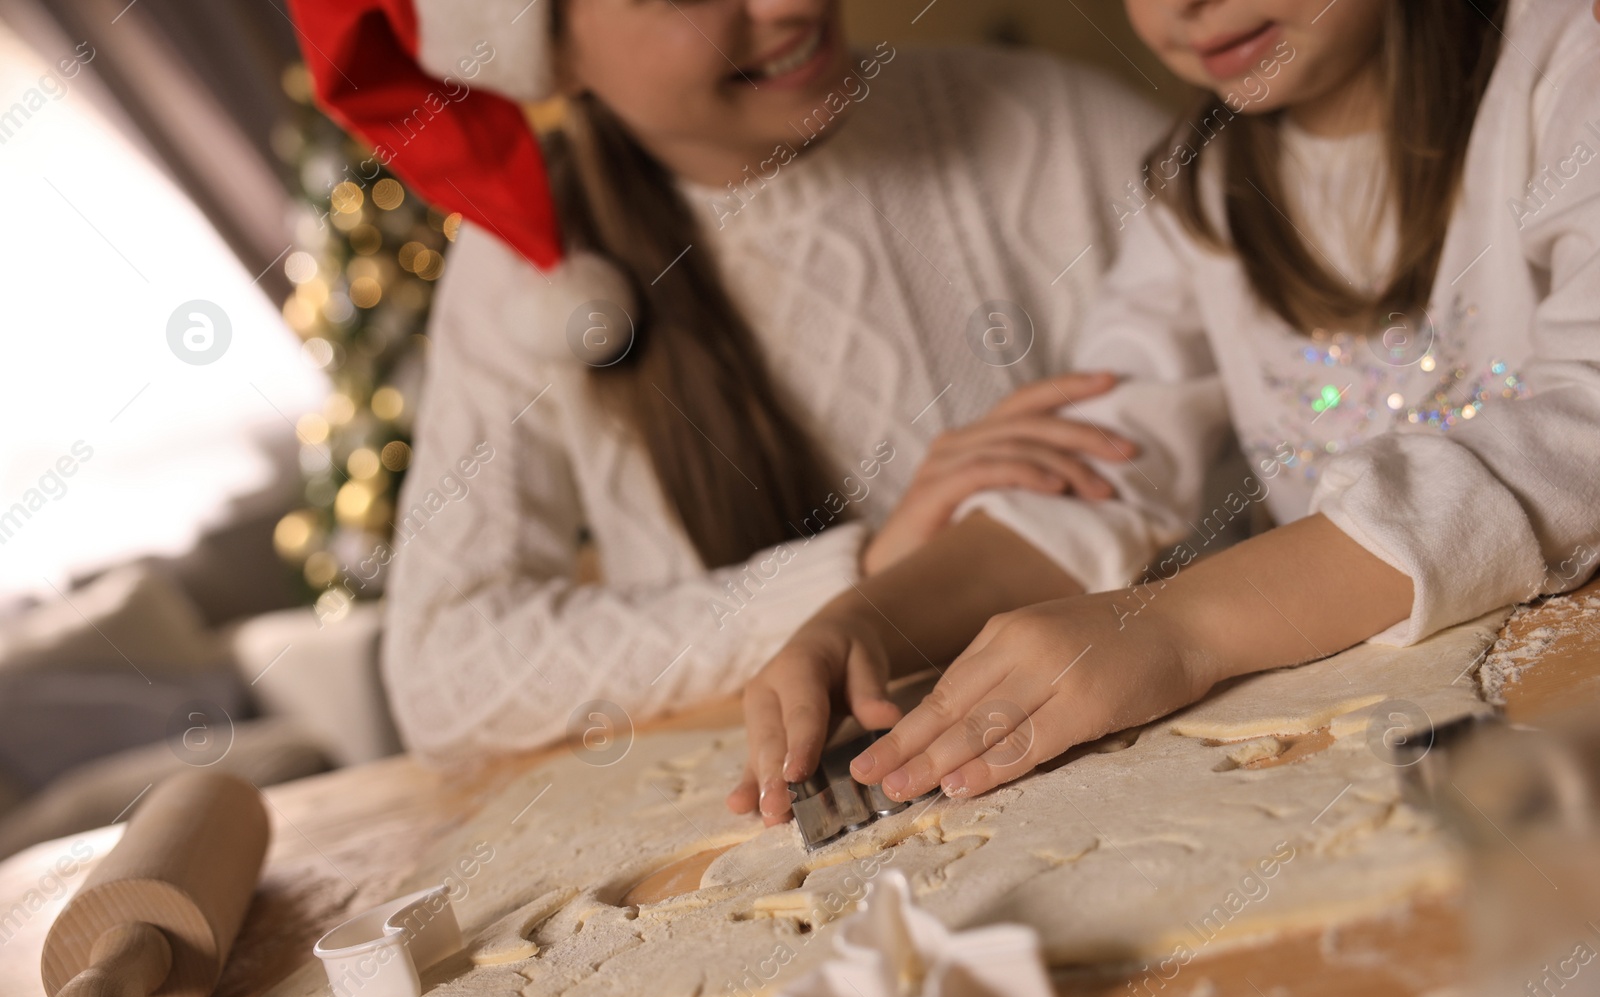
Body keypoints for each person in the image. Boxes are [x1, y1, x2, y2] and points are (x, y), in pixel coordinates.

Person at [288, 0, 1212, 765]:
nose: (788, 5)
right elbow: (444, 675)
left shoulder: (1058, 126)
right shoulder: (525, 273)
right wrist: (856, 577)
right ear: (552, 56)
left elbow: (1290, 427)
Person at [740, 0, 1600, 818]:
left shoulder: (1566, 63)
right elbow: (1098, 458)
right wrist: (865, 617)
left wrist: (1183, 627)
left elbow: (1584, 429)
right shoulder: (1199, 186)